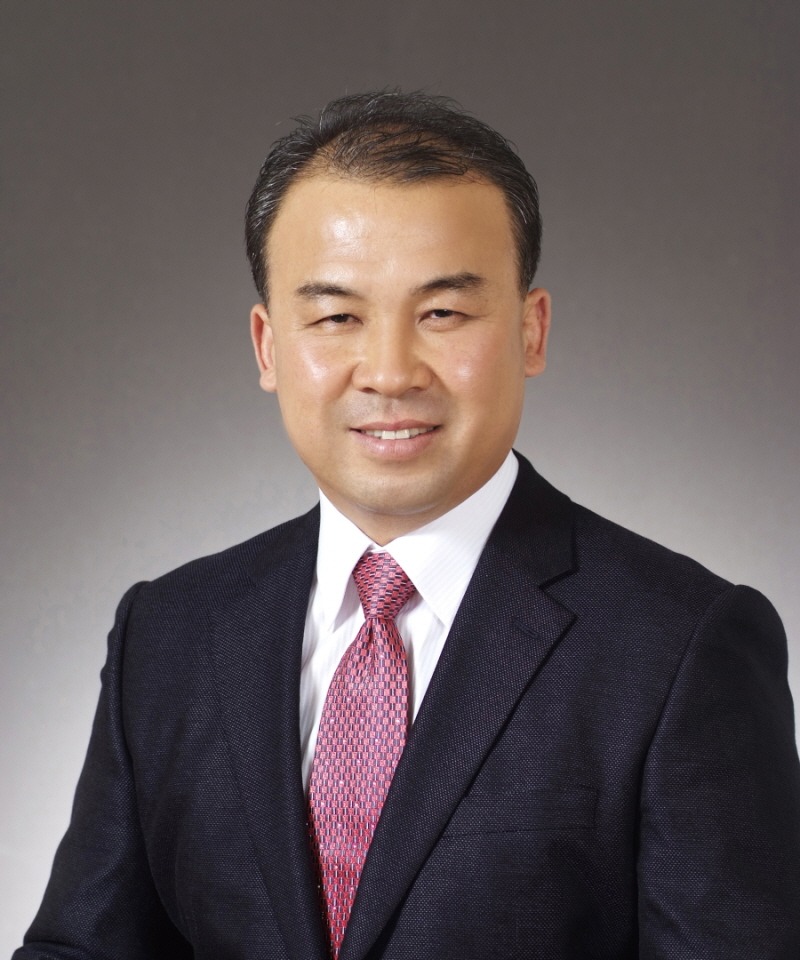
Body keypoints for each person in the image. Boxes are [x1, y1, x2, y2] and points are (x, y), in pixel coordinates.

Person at [14, 91, 800, 960]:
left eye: (442, 314)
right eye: (337, 317)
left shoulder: (681, 645)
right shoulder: (168, 634)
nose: (389, 372)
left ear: (531, 331)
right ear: (268, 346)